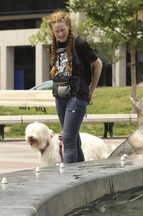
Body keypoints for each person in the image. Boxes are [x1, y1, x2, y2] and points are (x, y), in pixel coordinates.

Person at [47, 10, 103, 163]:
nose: (60, 34)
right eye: (56, 31)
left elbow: (98, 65)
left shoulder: (79, 43)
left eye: (63, 30)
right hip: (60, 95)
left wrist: (91, 90)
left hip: (77, 95)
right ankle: (80, 176)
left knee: (68, 140)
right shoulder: (53, 47)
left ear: (69, 27)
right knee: (74, 139)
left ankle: (69, 180)